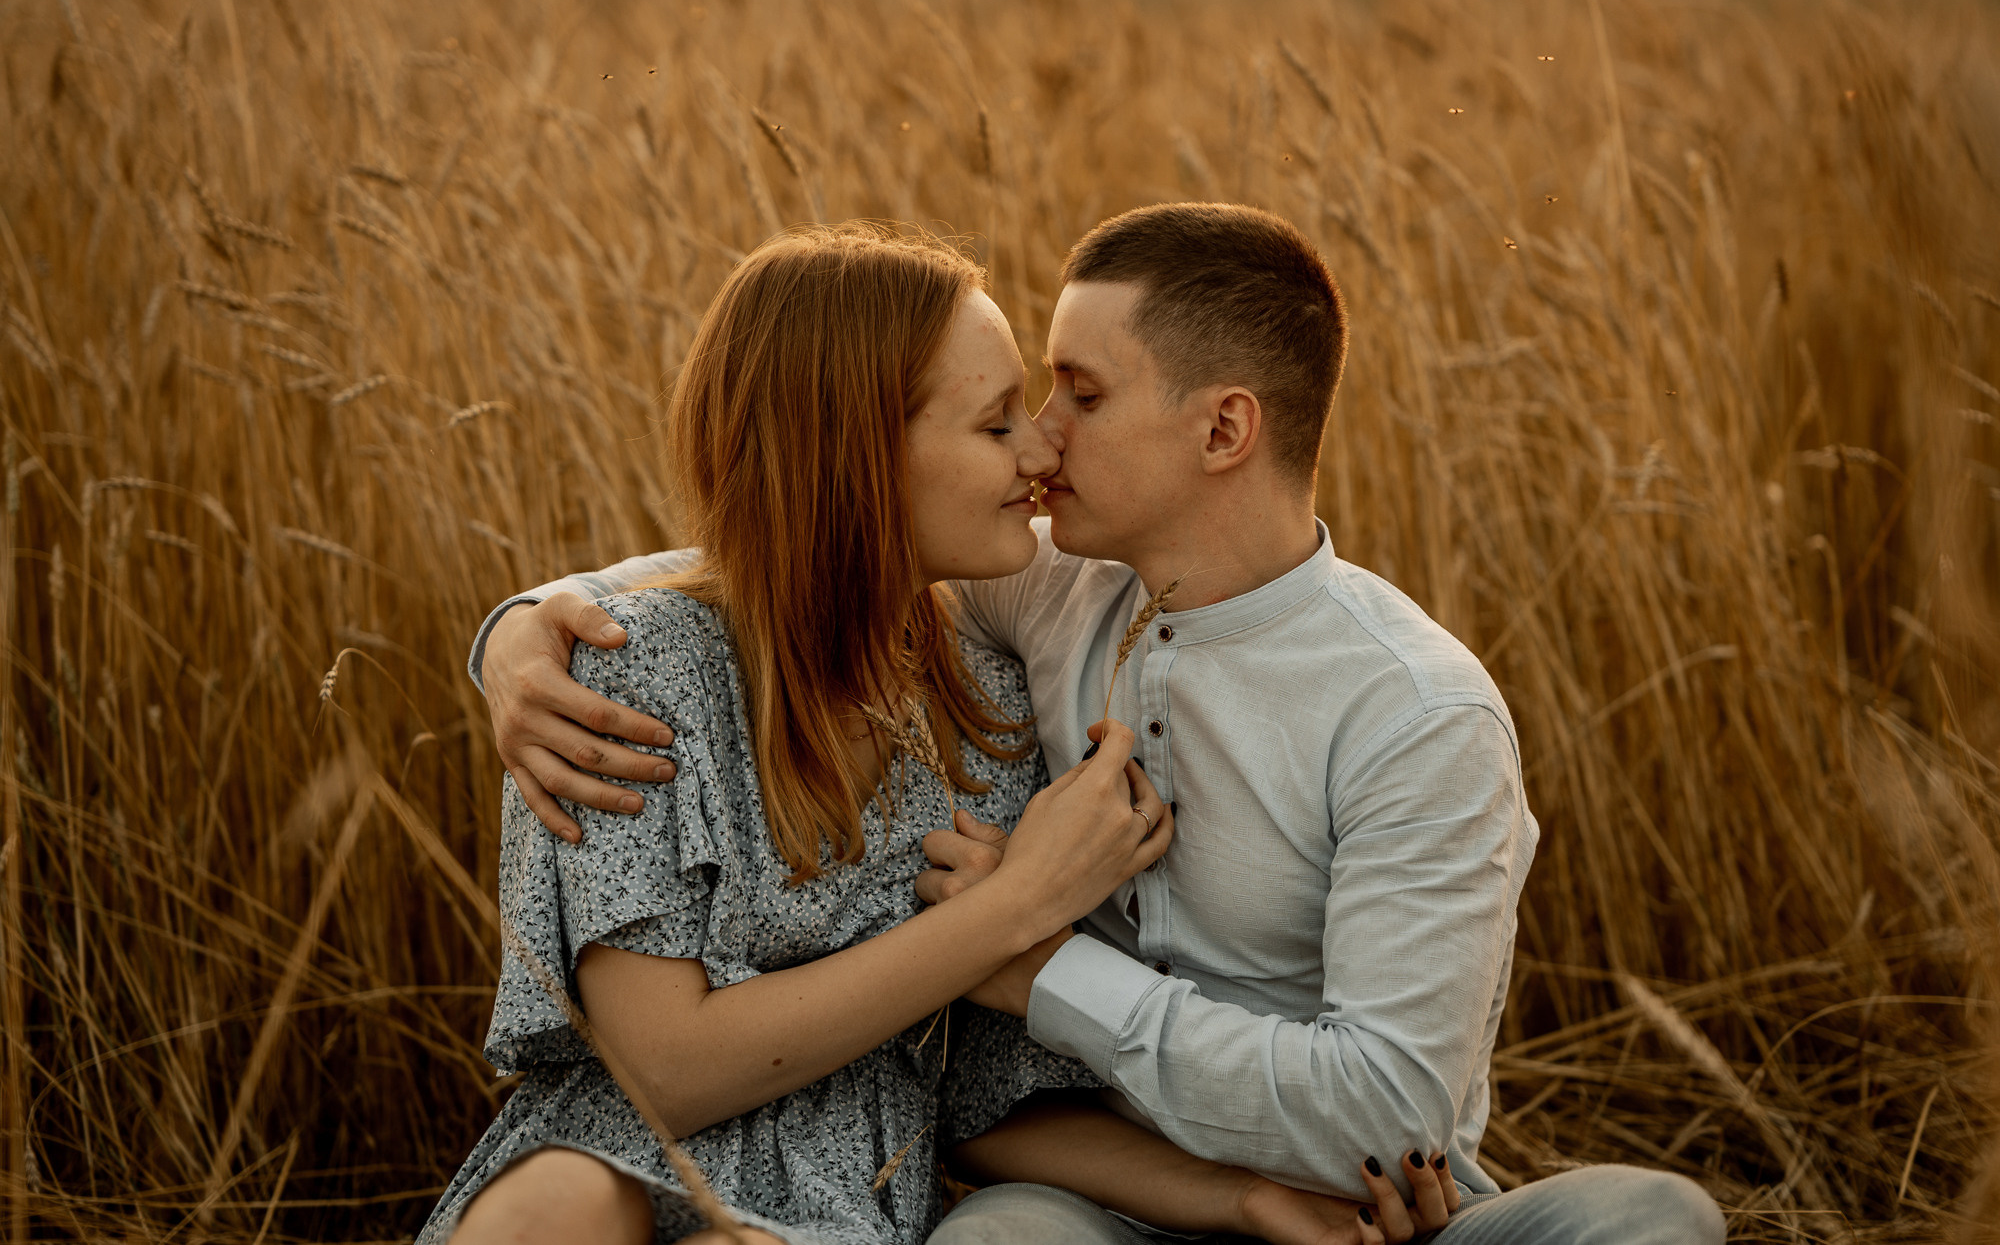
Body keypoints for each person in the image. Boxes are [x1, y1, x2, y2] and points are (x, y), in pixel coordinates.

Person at [473, 205, 1728, 1245]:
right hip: (1069, 1209)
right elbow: (790, 554)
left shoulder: (1408, 711)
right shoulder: (1026, 603)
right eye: (1012, 409)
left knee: (1651, 1220)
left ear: (1223, 427)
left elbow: (1380, 1117)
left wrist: (1041, 964)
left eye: (1073, 393)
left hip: (1357, 1211)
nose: (1039, 443)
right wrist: (524, 627)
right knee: (1002, 1238)